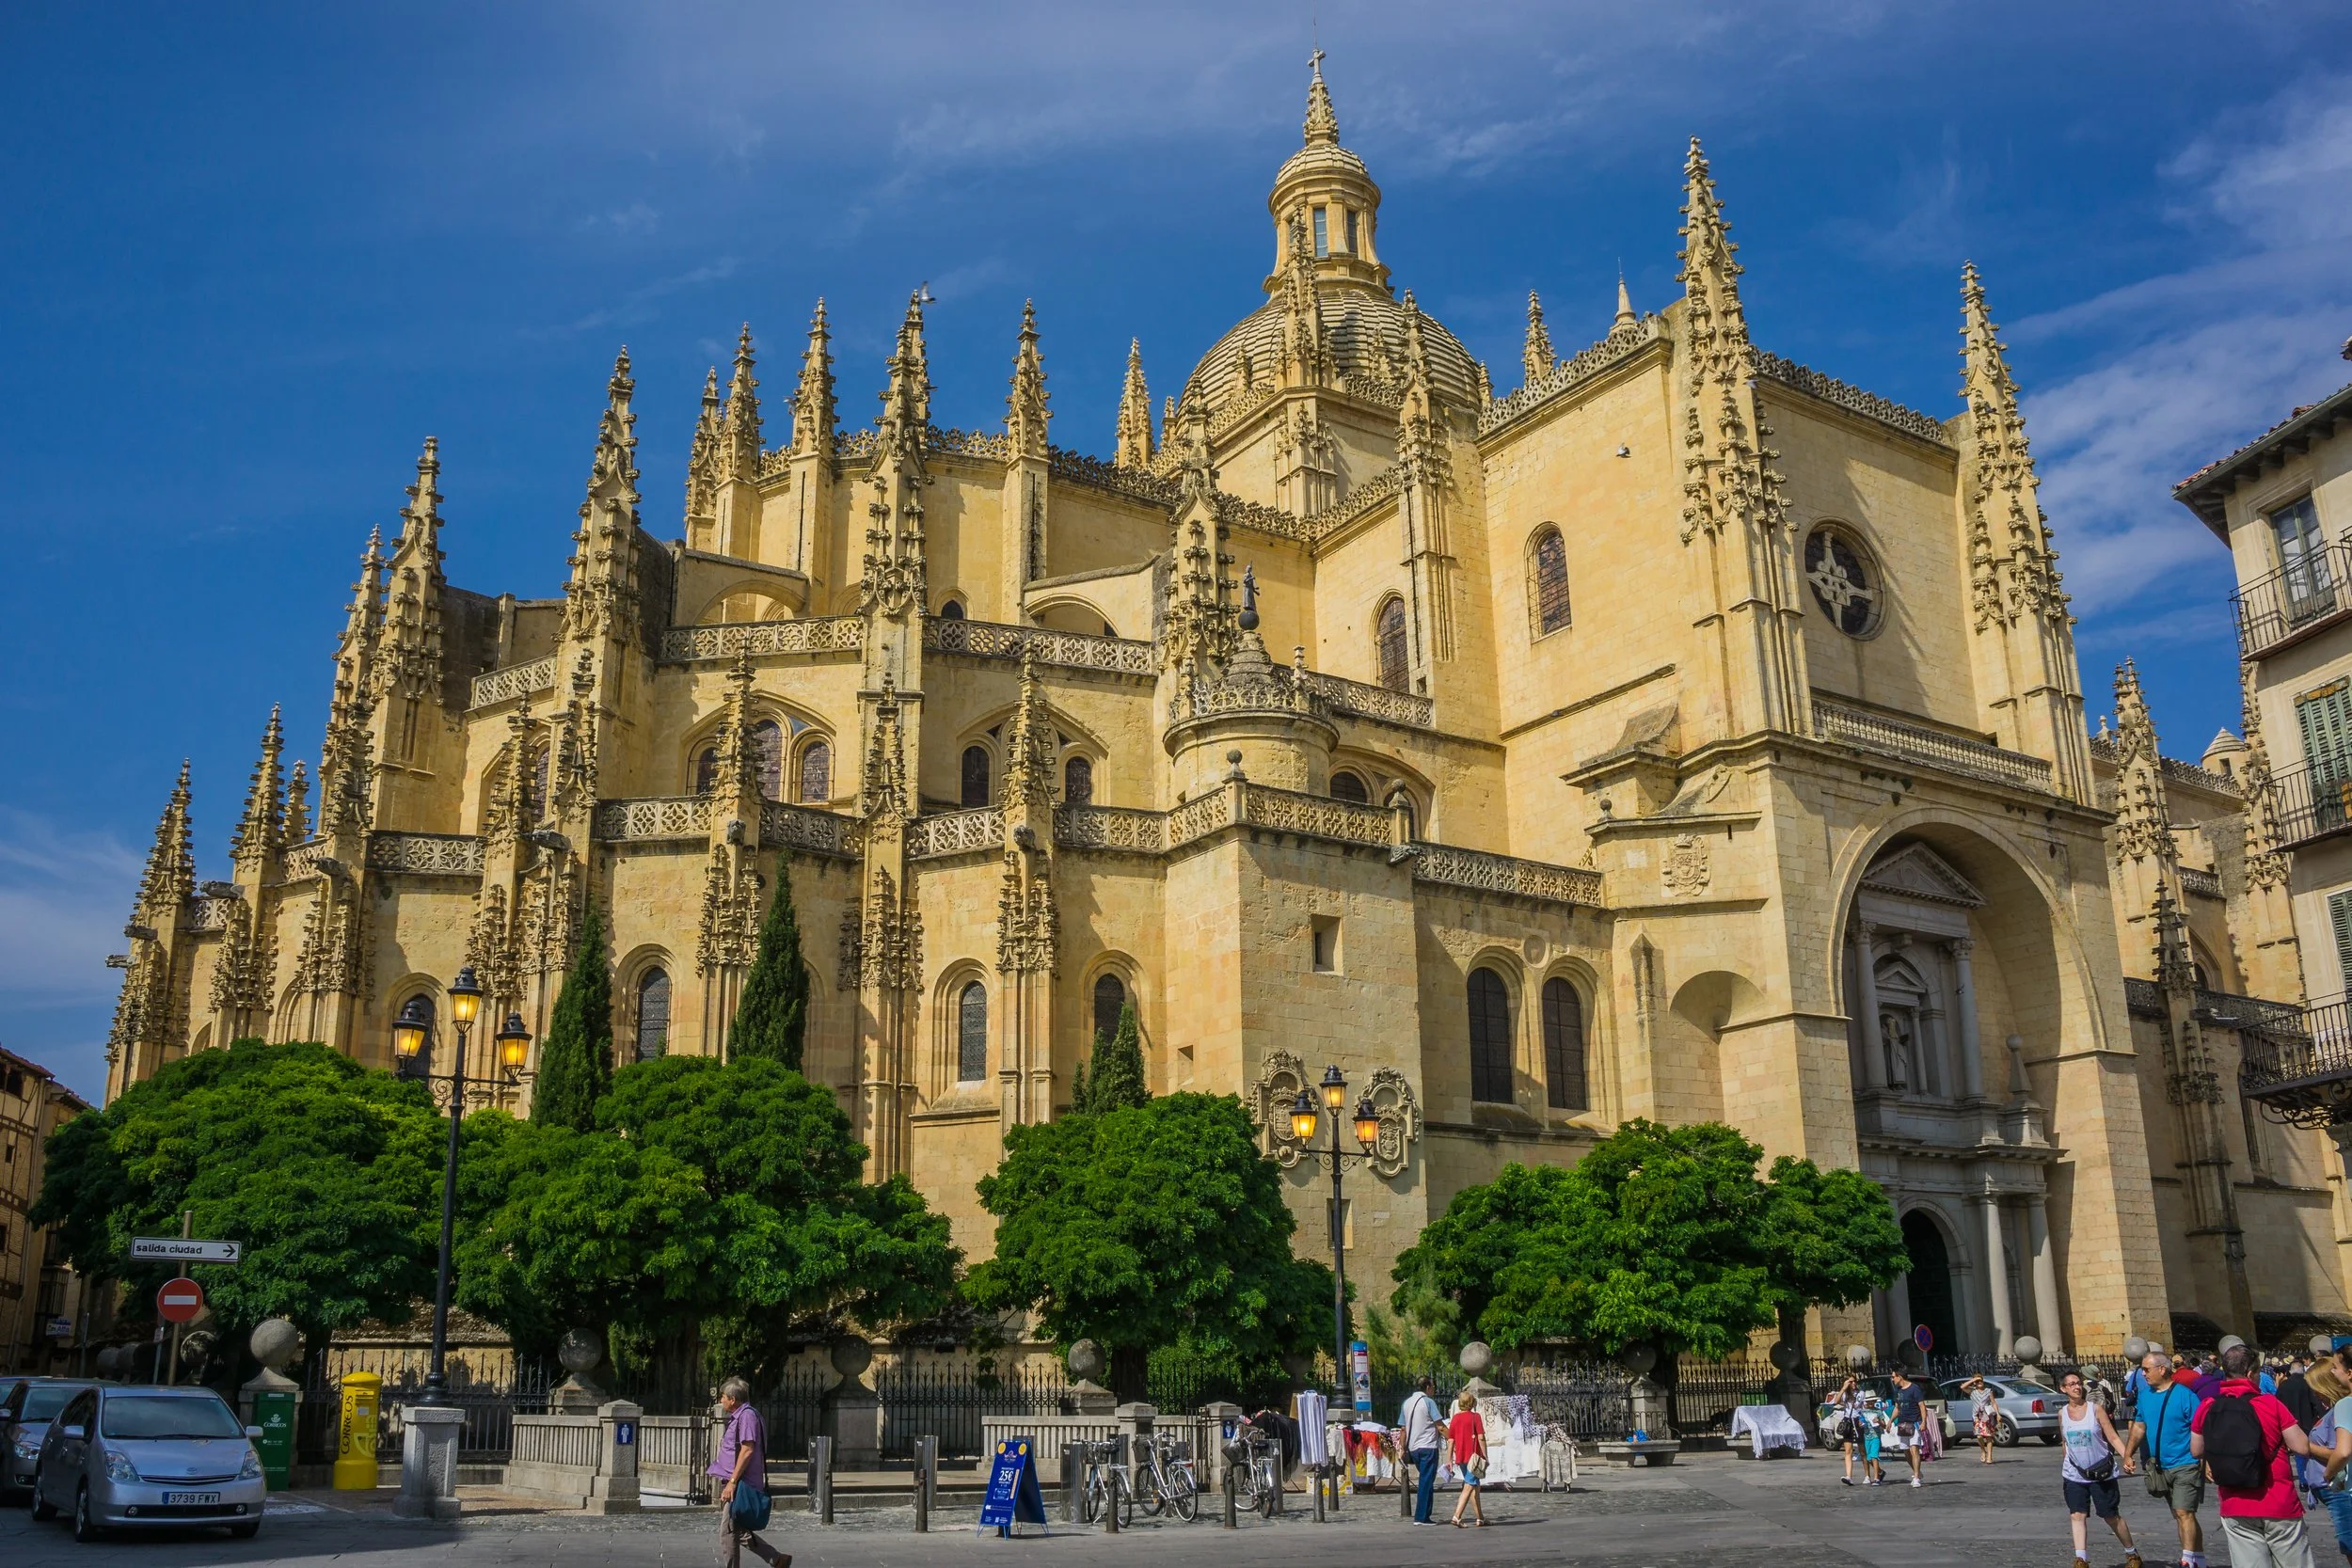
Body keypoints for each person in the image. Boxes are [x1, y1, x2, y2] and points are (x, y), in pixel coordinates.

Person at [2191, 1341, 2321, 1568]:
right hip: (2277, 1499)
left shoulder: (2208, 1406)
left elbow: (2196, 1450)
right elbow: (2301, 1447)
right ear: (2251, 1373)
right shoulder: (2270, 1404)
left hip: (2234, 1501)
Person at [2128, 1345, 2212, 1568]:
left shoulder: (2186, 1396)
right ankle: (2199, 1559)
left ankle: (2187, 1559)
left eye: (2146, 1369)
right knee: (2181, 1514)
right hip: (2159, 1465)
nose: (2142, 1374)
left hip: (2186, 1463)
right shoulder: (2145, 1396)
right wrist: (2128, 1454)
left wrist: (2208, 1460)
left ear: (2162, 1369)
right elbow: (2139, 1426)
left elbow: (2202, 1428)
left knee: (2185, 1512)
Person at [2057, 1368, 2141, 1568]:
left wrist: (2126, 1457)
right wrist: (2066, 1462)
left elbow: (2112, 1436)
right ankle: (2081, 1559)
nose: (2077, 1387)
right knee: (2077, 1514)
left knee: (2110, 1515)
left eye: (2078, 1383)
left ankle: (2132, 1553)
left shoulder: (2095, 1409)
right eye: (2072, 1384)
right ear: (2063, 1389)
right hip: (2074, 1473)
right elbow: (2065, 1442)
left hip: (2101, 1471)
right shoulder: (2062, 1414)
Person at [711, 1377, 787, 1568]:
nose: (721, 1400)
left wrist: (732, 1482)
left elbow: (747, 1450)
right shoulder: (743, 1415)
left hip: (741, 1483)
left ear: (733, 1399)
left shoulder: (746, 1416)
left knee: (727, 1531)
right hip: (739, 1481)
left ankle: (774, 1559)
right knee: (737, 1529)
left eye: (723, 1397)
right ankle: (777, 1559)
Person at [1399, 1376, 1444, 1525]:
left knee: (1426, 1480)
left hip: (1413, 1448)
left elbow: (1403, 1429)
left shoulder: (1407, 1403)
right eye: (1433, 1387)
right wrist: (1454, 1438)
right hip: (1428, 1447)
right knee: (1426, 1482)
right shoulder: (1428, 1402)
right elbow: (1440, 1426)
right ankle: (1422, 1516)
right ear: (1427, 1387)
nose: (1434, 1390)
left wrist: (1402, 1448)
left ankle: (1424, 1515)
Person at [1446, 1390, 1488, 1528]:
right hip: (1473, 1458)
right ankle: (1457, 1516)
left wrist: (1449, 1460)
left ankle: (1480, 1518)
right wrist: (1485, 1456)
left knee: (1474, 1487)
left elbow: (1450, 1441)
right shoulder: (1475, 1417)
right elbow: (1481, 1437)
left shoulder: (1455, 1418)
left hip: (1461, 1457)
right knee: (1469, 1485)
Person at [1889, 1368, 1928, 1488]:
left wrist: (1924, 1422)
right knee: (1906, 1451)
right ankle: (1917, 1471)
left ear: (1899, 1377)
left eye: (1893, 1376)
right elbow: (1897, 1407)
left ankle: (1916, 1477)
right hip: (1902, 1423)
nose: (1892, 1379)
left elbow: (1922, 1406)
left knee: (1914, 1449)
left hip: (1914, 1422)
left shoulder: (1914, 1388)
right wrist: (1890, 1421)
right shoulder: (1898, 1390)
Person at [1834, 1377, 1868, 1486]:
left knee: (1862, 1450)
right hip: (1848, 1421)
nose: (1853, 1383)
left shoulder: (1861, 1393)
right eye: (1850, 1382)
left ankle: (1867, 1475)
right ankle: (1849, 1476)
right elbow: (1836, 1401)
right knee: (1848, 1451)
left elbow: (1859, 1406)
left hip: (1857, 1421)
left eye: (1854, 1381)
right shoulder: (1845, 1394)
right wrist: (1844, 1388)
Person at [1962, 1373, 2000, 1464]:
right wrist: (1973, 1380)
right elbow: (1962, 1387)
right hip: (1977, 1417)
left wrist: (1998, 1414)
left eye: (1981, 1380)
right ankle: (1983, 1450)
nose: (1979, 1382)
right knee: (1979, 1436)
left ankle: (1989, 1456)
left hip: (1987, 1417)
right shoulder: (1972, 1391)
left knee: (1988, 1437)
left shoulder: (1988, 1391)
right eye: (1977, 1381)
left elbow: (1993, 1403)